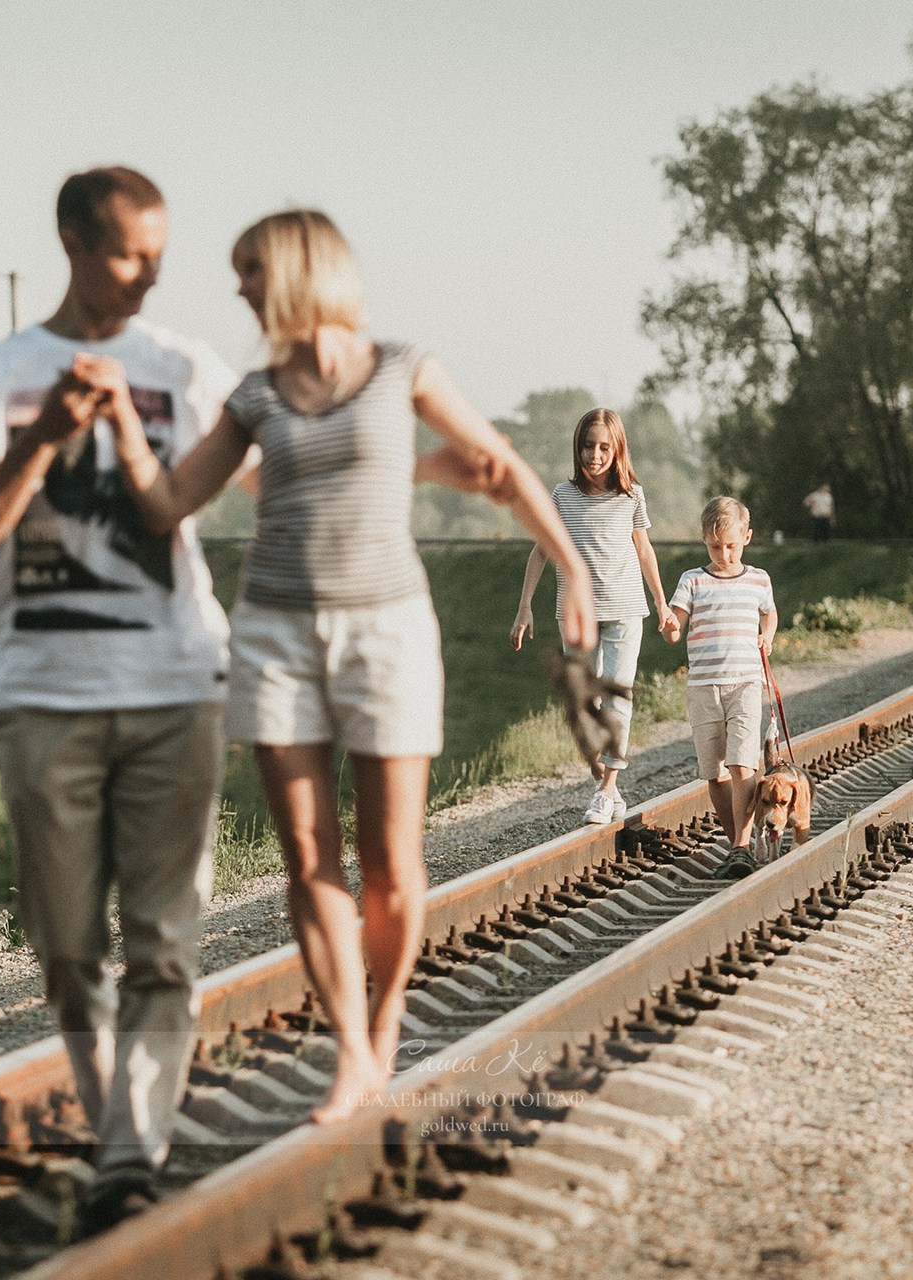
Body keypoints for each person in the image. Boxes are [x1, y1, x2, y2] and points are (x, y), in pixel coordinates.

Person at [74, 209, 596, 1124]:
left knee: (390, 865)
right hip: (275, 637)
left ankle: (384, 1021)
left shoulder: (402, 368)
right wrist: (120, 417)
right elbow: (166, 504)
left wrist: (573, 569)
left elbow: (501, 467)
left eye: (249, 272)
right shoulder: (254, 397)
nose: (237, 289)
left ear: (299, 273)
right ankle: (352, 1050)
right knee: (308, 859)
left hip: (387, 632)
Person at [0, 166, 239, 1230]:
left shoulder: (184, 366)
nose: (148, 275)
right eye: (126, 253)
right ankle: (120, 1135)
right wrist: (43, 433)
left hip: (175, 682)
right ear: (69, 241)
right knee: (66, 949)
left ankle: (126, 1152)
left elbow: (276, 468)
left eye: (159, 253)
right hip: (43, 696)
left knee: (162, 938)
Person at [510, 407, 674, 824]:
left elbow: (643, 550)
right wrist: (525, 606)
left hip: (624, 610)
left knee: (618, 698)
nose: (595, 455)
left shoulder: (631, 495)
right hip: (577, 614)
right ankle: (606, 779)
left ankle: (607, 790)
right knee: (583, 703)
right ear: (577, 448)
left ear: (617, 450)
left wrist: (661, 602)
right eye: (588, 446)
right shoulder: (562, 497)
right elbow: (540, 550)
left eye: (604, 447)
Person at [660, 496, 778, 880]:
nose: (724, 553)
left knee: (743, 763)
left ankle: (742, 847)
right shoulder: (692, 580)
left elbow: (769, 612)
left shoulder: (759, 579)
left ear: (747, 537)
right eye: (715, 546)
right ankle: (736, 846)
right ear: (704, 541)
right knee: (716, 773)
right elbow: (676, 627)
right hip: (703, 687)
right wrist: (670, 626)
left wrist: (768, 634)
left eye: (730, 545)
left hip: (745, 682)